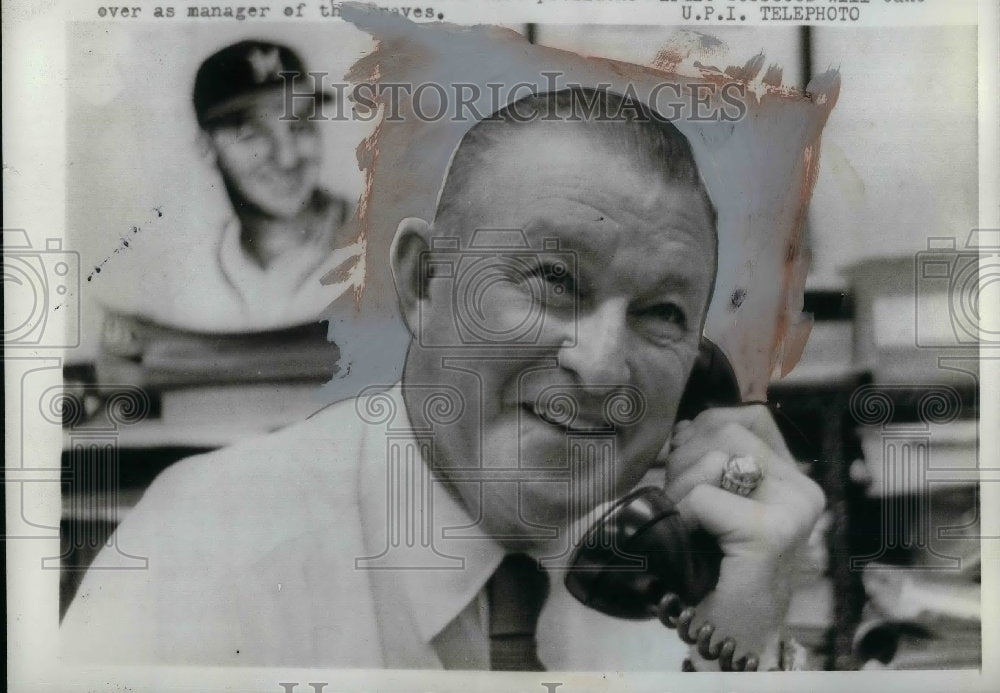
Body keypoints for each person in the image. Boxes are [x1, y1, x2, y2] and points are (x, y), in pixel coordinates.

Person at [61, 89, 824, 670]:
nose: (601, 365)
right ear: (425, 283)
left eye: (661, 313)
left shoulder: (682, 569)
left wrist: (741, 640)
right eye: (554, 278)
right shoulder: (201, 550)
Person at [192, 39, 361, 329]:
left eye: (299, 126)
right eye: (251, 134)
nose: (286, 158)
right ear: (207, 148)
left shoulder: (383, 243)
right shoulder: (194, 269)